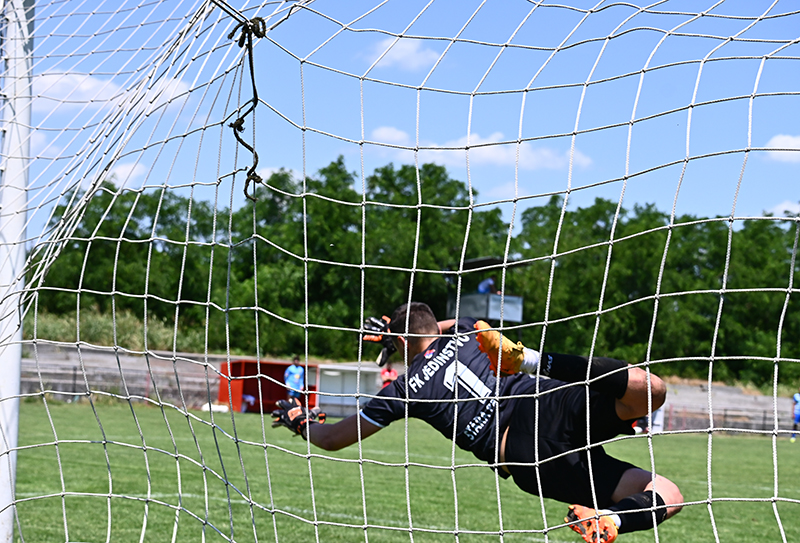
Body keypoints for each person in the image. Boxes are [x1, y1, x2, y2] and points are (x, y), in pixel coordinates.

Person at [272, 303, 683, 543]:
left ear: (399, 343)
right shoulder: (467, 331)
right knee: (651, 396)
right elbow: (438, 327)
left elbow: (330, 439)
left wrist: (298, 421)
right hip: (543, 401)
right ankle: (534, 359)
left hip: (523, 458)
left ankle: (608, 519)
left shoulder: (401, 391)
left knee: (666, 491)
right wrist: (398, 333)